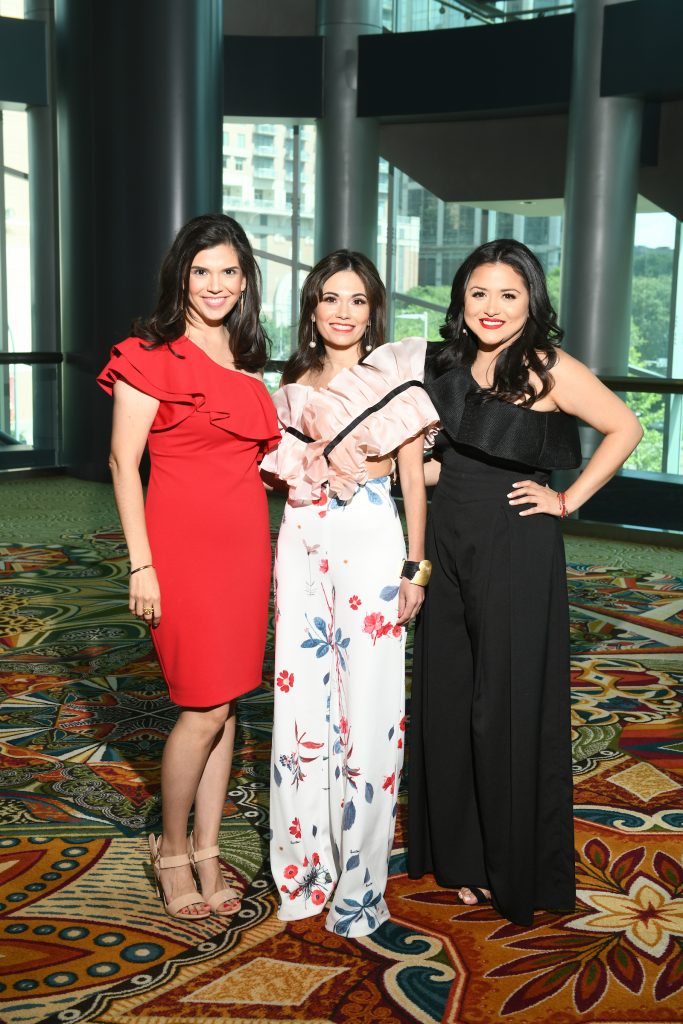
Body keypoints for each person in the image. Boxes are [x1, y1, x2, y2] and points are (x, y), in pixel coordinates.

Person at [408, 239, 643, 926]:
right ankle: (461, 858)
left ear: (530, 302)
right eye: (478, 292)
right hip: (449, 537)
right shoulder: (448, 364)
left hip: (514, 542)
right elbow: (445, 466)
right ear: (460, 299)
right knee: (450, 696)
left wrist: (566, 501)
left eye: (508, 295)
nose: (491, 307)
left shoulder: (547, 366)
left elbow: (624, 427)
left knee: (504, 705)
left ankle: (511, 867)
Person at [97, 213, 280, 919]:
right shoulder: (150, 355)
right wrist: (141, 565)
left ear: (245, 281)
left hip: (244, 548)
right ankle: (170, 848)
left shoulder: (247, 359)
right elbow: (123, 463)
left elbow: (258, 464)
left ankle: (207, 848)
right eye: (201, 270)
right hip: (179, 550)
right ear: (180, 276)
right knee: (200, 706)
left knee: (227, 701)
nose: (215, 284)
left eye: (229, 271)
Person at [262, 250, 440, 937]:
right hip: (300, 544)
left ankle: (359, 887)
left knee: (370, 711)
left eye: (357, 300)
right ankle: (305, 872)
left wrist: (414, 568)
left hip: (371, 544)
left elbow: (412, 478)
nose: (343, 312)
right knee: (300, 707)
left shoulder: (392, 376)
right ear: (312, 307)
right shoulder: (290, 385)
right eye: (330, 298)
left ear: (373, 311)